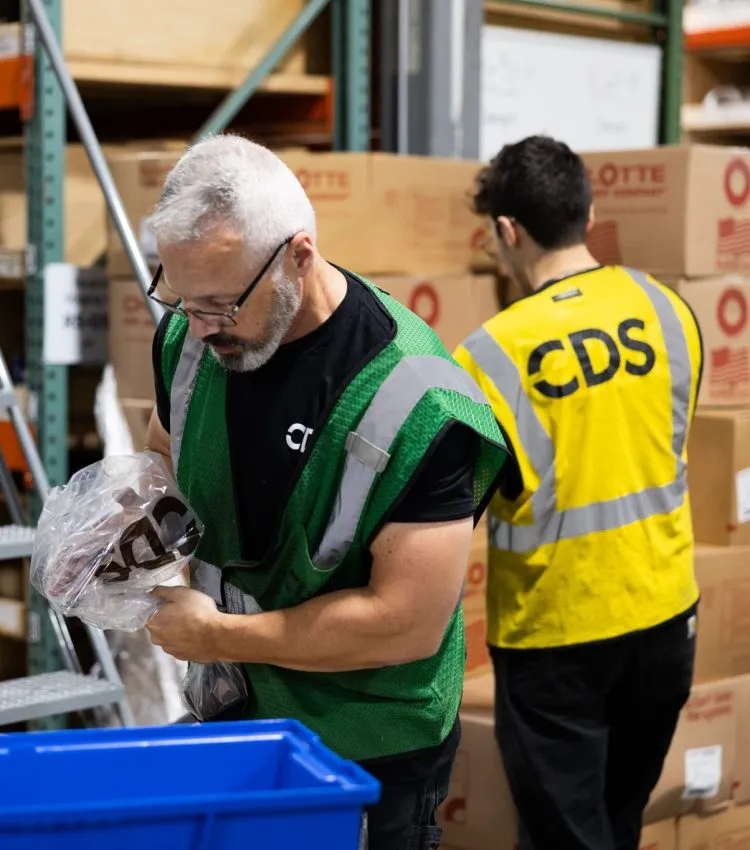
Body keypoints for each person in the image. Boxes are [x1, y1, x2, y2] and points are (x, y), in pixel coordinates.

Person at [140, 133, 509, 849]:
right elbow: (165, 449)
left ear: (298, 258)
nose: (199, 326)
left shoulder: (417, 400)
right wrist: (137, 542)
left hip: (363, 745)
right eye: (180, 299)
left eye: (220, 304)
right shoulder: (192, 336)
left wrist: (216, 634)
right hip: (234, 716)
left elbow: (405, 621)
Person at [453, 135, 703, 850]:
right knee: (616, 823)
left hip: (557, 637)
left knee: (567, 837)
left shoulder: (490, 354)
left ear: (508, 230)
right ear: (588, 213)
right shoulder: (667, 310)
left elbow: (455, 506)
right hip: (665, 621)